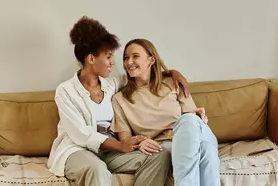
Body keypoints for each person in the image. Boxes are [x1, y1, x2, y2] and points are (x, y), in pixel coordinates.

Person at [46, 16, 192, 186]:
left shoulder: (112, 84)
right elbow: (81, 135)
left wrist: (172, 73)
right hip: (77, 150)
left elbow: (143, 74)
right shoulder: (65, 91)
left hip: (109, 150)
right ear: (91, 59)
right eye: (108, 57)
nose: (113, 62)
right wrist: (121, 146)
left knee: (159, 156)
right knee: (96, 169)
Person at [110, 38, 220, 186]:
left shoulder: (173, 83)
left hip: (193, 134)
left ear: (151, 60)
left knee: (189, 120)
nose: (129, 62)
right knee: (206, 150)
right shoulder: (120, 99)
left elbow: (193, 118)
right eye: (126, 58)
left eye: (135, 56)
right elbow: (125, 140)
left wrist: (198, 117)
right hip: (165, 146)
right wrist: (141, 142)